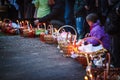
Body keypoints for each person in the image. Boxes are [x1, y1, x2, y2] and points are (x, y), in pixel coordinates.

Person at [105, 0, 120, 67]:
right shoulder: (112, 6)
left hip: (115, 30)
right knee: (113, 48)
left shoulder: (117, 6)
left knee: (115, 49)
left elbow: (115, 19)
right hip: (112, 30)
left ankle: (116, 65)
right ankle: (114, 63)